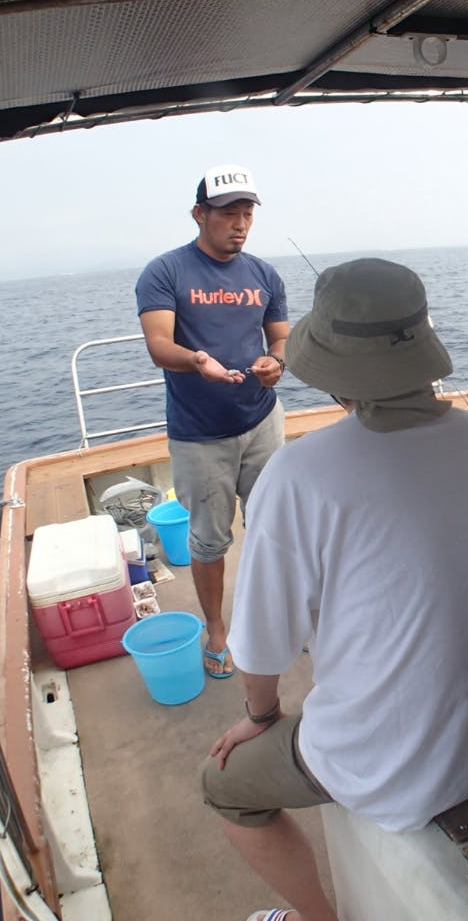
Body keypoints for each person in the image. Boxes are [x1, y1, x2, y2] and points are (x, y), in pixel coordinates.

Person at [202, 259, 468, 921]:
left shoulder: (299, 474)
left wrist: (261, 716)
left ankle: (319, 918)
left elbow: (261, 649)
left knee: (221, 785)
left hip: (399, 763)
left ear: (335, 374)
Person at [136, 164, 289, 680]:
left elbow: (281, 339)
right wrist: (197, 360)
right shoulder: (165, 271)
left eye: (247, 213)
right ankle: (218, 631)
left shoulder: (265, 274)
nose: (240, 224)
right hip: (199, 435)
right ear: (199, 214)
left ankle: (282, 620)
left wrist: (276, 365)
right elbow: (159, 344)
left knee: (275, 527)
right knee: (208, 540)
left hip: (262, 421)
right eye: (228, 214)